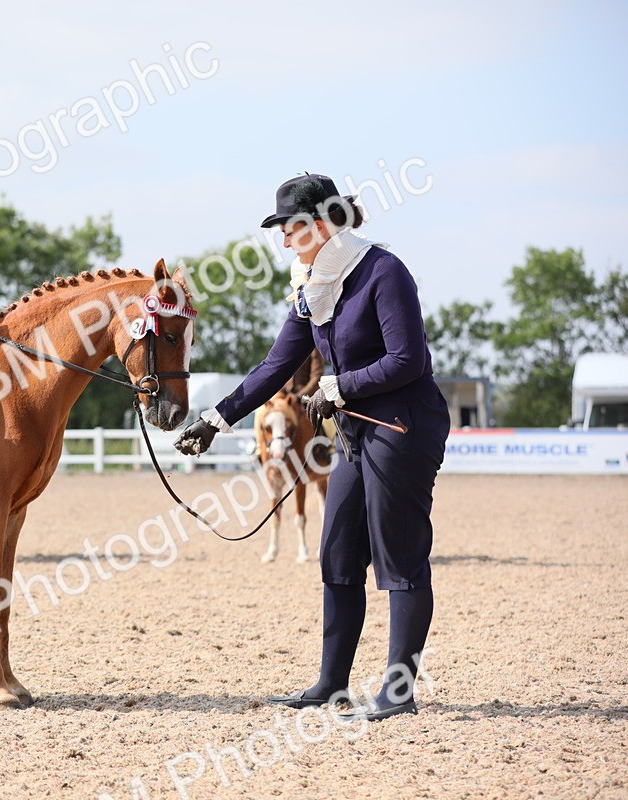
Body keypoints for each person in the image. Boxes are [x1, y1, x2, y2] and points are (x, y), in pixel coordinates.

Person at [174, 174, 451, 722]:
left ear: (322, 224)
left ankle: (399, 691)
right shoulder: (315, 284)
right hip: (355, 430)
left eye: (291, 228)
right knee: (339, 553)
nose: (283, 241)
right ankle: (332, 682)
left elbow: (407, 360)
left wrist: (342, 386)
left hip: (402, 425)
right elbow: (276, 365)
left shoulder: (382, 272)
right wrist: (216, 417)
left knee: (398, 557)